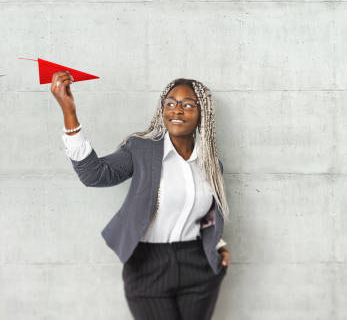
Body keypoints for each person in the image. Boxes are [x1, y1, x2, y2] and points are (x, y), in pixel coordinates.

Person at [51, 72, 231, 320]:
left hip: (199, 266)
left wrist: (218, 246)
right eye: (170, 103)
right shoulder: (141, 149)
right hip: (148, 266)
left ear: (203, 114)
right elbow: (94, 175)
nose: (177, 110)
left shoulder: (211, 164)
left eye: (188, 105)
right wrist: (69, 113)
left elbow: (207, 215)